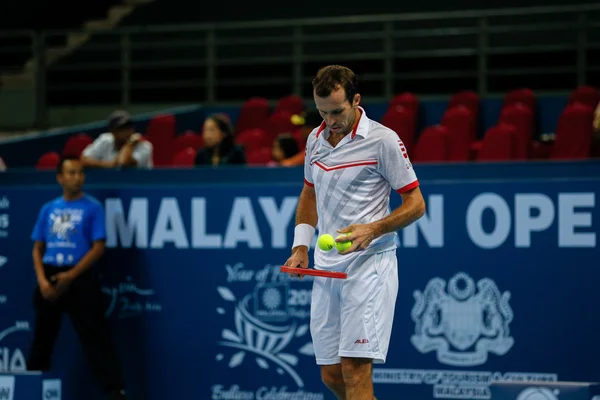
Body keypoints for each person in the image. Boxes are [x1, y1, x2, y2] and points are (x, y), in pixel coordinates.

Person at [283, 65, 426, 400]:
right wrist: (301, 246)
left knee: (354, 369)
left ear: (356, 100)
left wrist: (373, 229)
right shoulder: (314, 140)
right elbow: (309, 193)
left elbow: (416, 203)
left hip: (369, 265)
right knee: (331, 374)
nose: (330, 121)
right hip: (326, 269)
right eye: (322, 112)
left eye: (337, 111)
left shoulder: (383, 140)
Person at [28, 156, 128, 400]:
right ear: (60, 178)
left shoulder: (92, 207)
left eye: (80, 173)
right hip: (51, 274)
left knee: (95, 336)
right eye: (71, 173)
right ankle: (30, 386)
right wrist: (42, 281)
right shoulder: (48, 208)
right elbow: (37, 247)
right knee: (43, 335)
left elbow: (98, 247)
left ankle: (115, 391)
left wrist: (71, 276)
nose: (77, 178)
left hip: (79, 277)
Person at [82, 110, 153, 169]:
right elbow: (83, 160)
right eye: (122, 129)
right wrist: (109, 164)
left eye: (129, 128)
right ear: (113, 131)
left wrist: (129, 144)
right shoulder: (104, 140)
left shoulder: (144, 146)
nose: (127, 132)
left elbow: (123, 162)